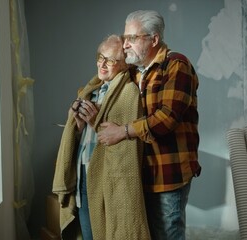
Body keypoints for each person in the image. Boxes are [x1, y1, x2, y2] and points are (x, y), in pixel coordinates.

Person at [97, 10, 201, 240]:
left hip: (168, 172)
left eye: (132, 38)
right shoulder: (133, 71)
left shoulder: (176, 65)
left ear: (154, 39)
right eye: (125, 38)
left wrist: (122, 132)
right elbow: (102, 80)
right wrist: (82, 103)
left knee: (167, 234)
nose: (125, 45)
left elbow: (167, 118)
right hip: (138, 170)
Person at [52, 35, 150, 240]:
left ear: (124, 65)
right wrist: (78, 125)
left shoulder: (128, 93)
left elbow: (127, 147)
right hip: (82, 171)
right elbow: (85, 136)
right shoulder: (91, 90)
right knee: (88, 232)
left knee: (99, 233)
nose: (102, 64)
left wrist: (95, 121)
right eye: (100, 56)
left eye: (111, 60)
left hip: (102, 177)